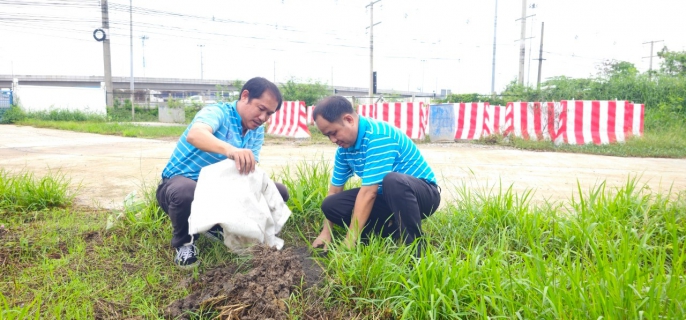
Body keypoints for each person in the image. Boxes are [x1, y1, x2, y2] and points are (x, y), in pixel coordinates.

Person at [157, 77, 289, 268]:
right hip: (180, 186)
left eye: (269, 114)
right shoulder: (217, 112)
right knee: (185, 191)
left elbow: (247, 173)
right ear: (245, 96)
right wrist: (230, 150)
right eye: (261, 109)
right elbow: (196, 134)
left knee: (278, 191)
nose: (263, 118)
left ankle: (217, 226)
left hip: (220, 191)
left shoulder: (256, 130)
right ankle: (185, 243)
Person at [310, 96, 441, 257]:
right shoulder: (344, 150)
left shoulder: (379, 136)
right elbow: (334, 191)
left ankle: (415, 249)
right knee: (331, 205)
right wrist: (326, 232)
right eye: (327, 136)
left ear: (349, 119)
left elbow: (368, 193)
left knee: (392, 181)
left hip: (422, 195)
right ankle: (390, 231)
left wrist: (349, 241)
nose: (332, 140)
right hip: (387, 197)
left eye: (334, 133)